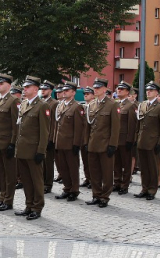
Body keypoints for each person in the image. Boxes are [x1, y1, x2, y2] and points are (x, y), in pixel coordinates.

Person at [14, 76, 50, 220]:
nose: (24, 89)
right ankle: (29, 205)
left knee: (36, 180)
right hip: (22, 149)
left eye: (27, 87)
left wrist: (41, 150)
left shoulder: (42, 106)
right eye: (24, 87)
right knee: (26, 180)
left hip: (34, 150)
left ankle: (37, 207)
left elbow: (44, 131)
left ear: (36, 89)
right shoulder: (23, 104)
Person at [83, 78, 120, 208]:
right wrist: (86, 142)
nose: (96, 90)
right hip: (93, 144)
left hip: (105, 144)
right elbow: (88, 126)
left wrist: (112, 145)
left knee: (107, 172)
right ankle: (96, 195)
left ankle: (105, 197)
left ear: (105, 89)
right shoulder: (91, 105)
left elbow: (115, 127)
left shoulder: (112, 104)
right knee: (94, 172)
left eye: (98, 88)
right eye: (95, 87)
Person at [0, 74, 19, 212]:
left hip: (7, 143)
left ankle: (8, 200)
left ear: (9, 85)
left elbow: (15, 125)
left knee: (9, 173)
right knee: (1, 172)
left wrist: (13, 143)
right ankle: (2, 197)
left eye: (1, 83)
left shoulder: (13, 101)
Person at [135, 82, 160, 200]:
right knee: (143, 167)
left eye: (151, 90)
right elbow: (138, 124)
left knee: (152, 167)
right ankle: (144, 188)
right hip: (142, 141)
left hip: (153, 142)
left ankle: (152, 190)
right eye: (147, 90)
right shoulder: (142, 105)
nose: (148, 92)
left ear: (156, 93)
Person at [53, 82, 84, 201]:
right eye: (63, 90)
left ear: (73, 92)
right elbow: (57, 126)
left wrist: (76, 144)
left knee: (72, 168)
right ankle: (67, 188)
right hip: (60, 143)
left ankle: (74, 190)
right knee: (63, 168)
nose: (64, 92)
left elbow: (78, 128)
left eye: (67, 90)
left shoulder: (77, 107)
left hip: (71, 144)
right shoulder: (60, 105)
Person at [114, 81, 138, 195]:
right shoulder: (116, 104)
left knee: (126, 163)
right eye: (118, 89)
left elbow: (132, 124)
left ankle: (125, 185)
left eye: (122, 89)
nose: (119, 90)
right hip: (115, 139)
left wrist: (130, 140)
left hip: (125, 140)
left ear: (127, 92)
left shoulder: (131, 105)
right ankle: (117, 182)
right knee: (116, 163)